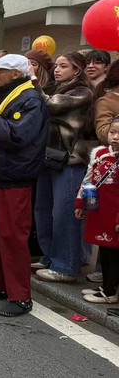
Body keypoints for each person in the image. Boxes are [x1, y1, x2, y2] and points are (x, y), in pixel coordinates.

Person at [0, 54, 49, 317]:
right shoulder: (3, 94)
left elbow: (17, 137)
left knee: (12, 238)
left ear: (16, 74)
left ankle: (20, 296)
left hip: (14, 177)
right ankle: (0, 285)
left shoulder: (30, 100)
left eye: (0, 71)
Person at [34, 52, 96, 282]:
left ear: (76, 70)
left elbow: (51, 106)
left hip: (70, 159)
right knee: (42, 211)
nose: (56, 70)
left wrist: (33, 84)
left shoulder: (82, 92)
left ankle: (65, 266)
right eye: (56, 66)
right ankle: (49, 257)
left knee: (65, 214)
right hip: (48, 157)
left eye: (63, 66)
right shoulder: (55, 87)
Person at [75, 116, 119, 304]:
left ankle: (111, 291)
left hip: (115, 214)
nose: (115, 137)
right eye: (112, 132)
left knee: (115, 252)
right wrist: (80, 204)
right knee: (104, 250)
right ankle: (105, 286)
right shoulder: (100, 153)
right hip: (99, 211)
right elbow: (88, 180)